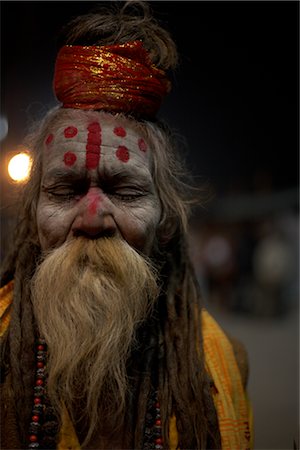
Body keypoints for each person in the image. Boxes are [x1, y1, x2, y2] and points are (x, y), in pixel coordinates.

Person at [0, 2, 252, 449]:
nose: (93, 219)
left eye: (126, 191)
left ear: (167, 221)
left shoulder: (224, 363)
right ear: (32, 216)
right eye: (65, 190)